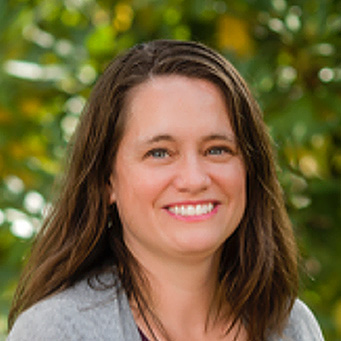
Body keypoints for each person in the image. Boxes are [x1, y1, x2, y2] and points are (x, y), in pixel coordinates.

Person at [7, 40, 324, 341]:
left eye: (217, 150)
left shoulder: (291, 326)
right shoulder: (55, 332)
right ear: (107, 181)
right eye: (159, 153)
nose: (194, 179)